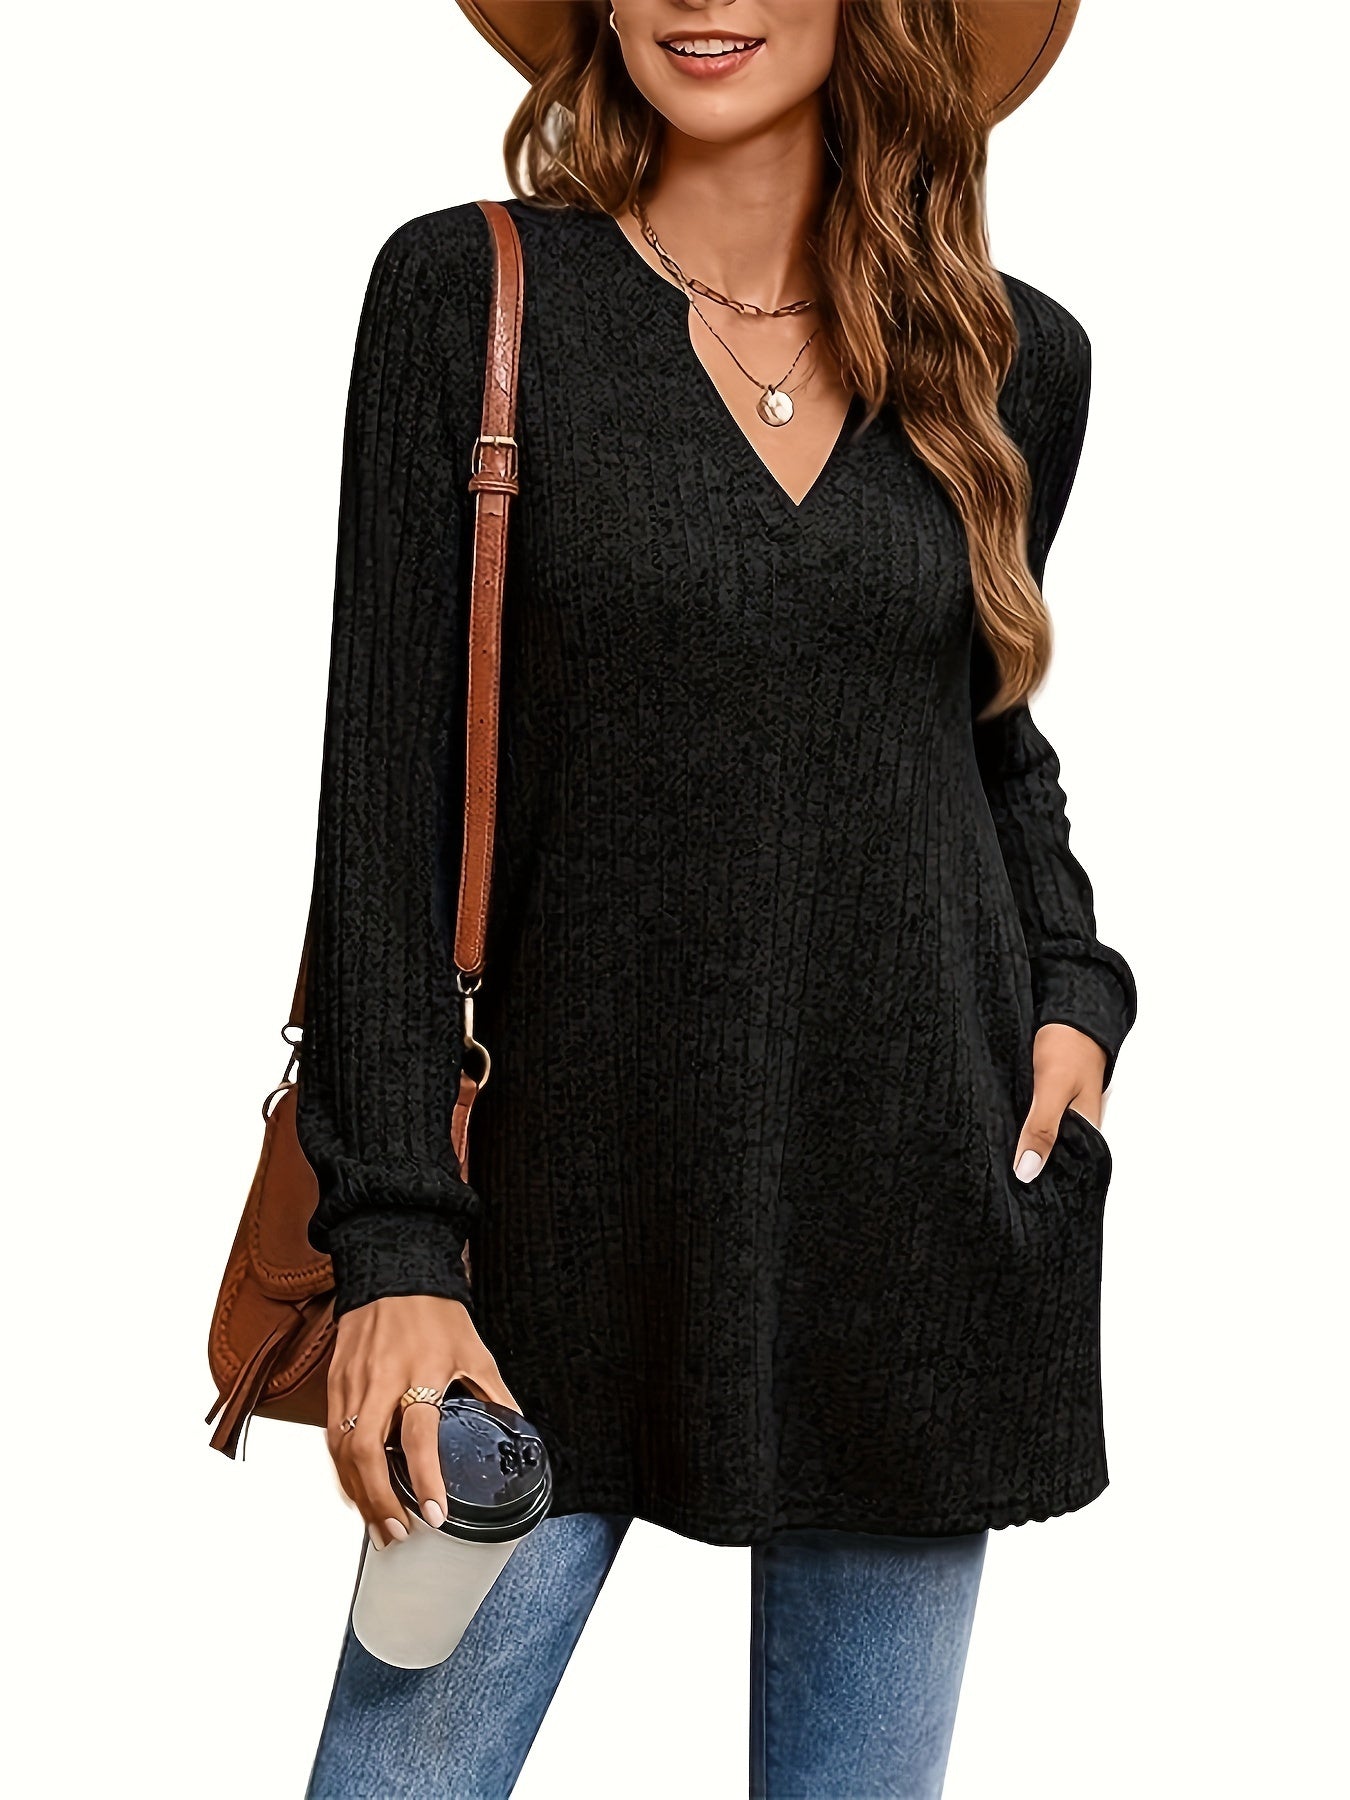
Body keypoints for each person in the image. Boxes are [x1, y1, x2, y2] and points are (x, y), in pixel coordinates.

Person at [296, 2, 1137, 1794]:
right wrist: (395, 1248)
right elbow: (379, 803)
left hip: (912, 1206)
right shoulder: (471, 297)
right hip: (547, 1228)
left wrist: (1073, 984)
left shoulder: (1013, 361)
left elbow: (979, 732)